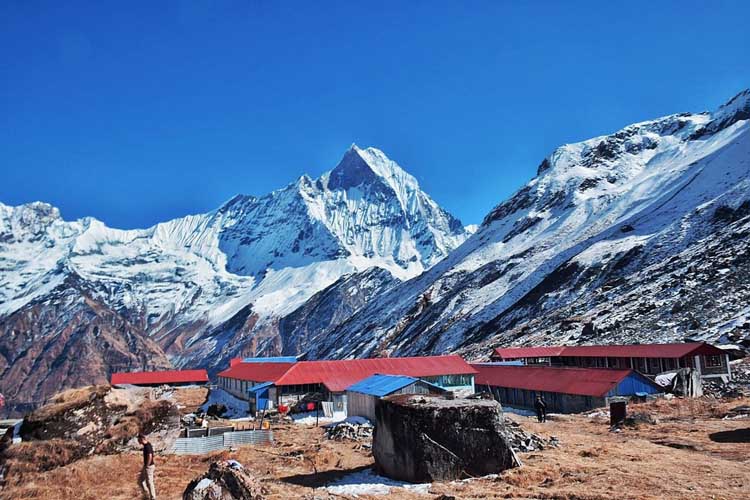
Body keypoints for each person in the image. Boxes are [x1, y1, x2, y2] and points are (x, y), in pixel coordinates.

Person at [138, 433, 156, 500]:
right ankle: (146, 495)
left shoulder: (147, 446)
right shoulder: (146, 446)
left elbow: (150, 456)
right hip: (146, 466)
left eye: (138, 440)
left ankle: (153, 497)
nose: (138, 441)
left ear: (142, 439)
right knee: (141, 481)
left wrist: (147, 466)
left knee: (150, 482)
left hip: (149, 467)